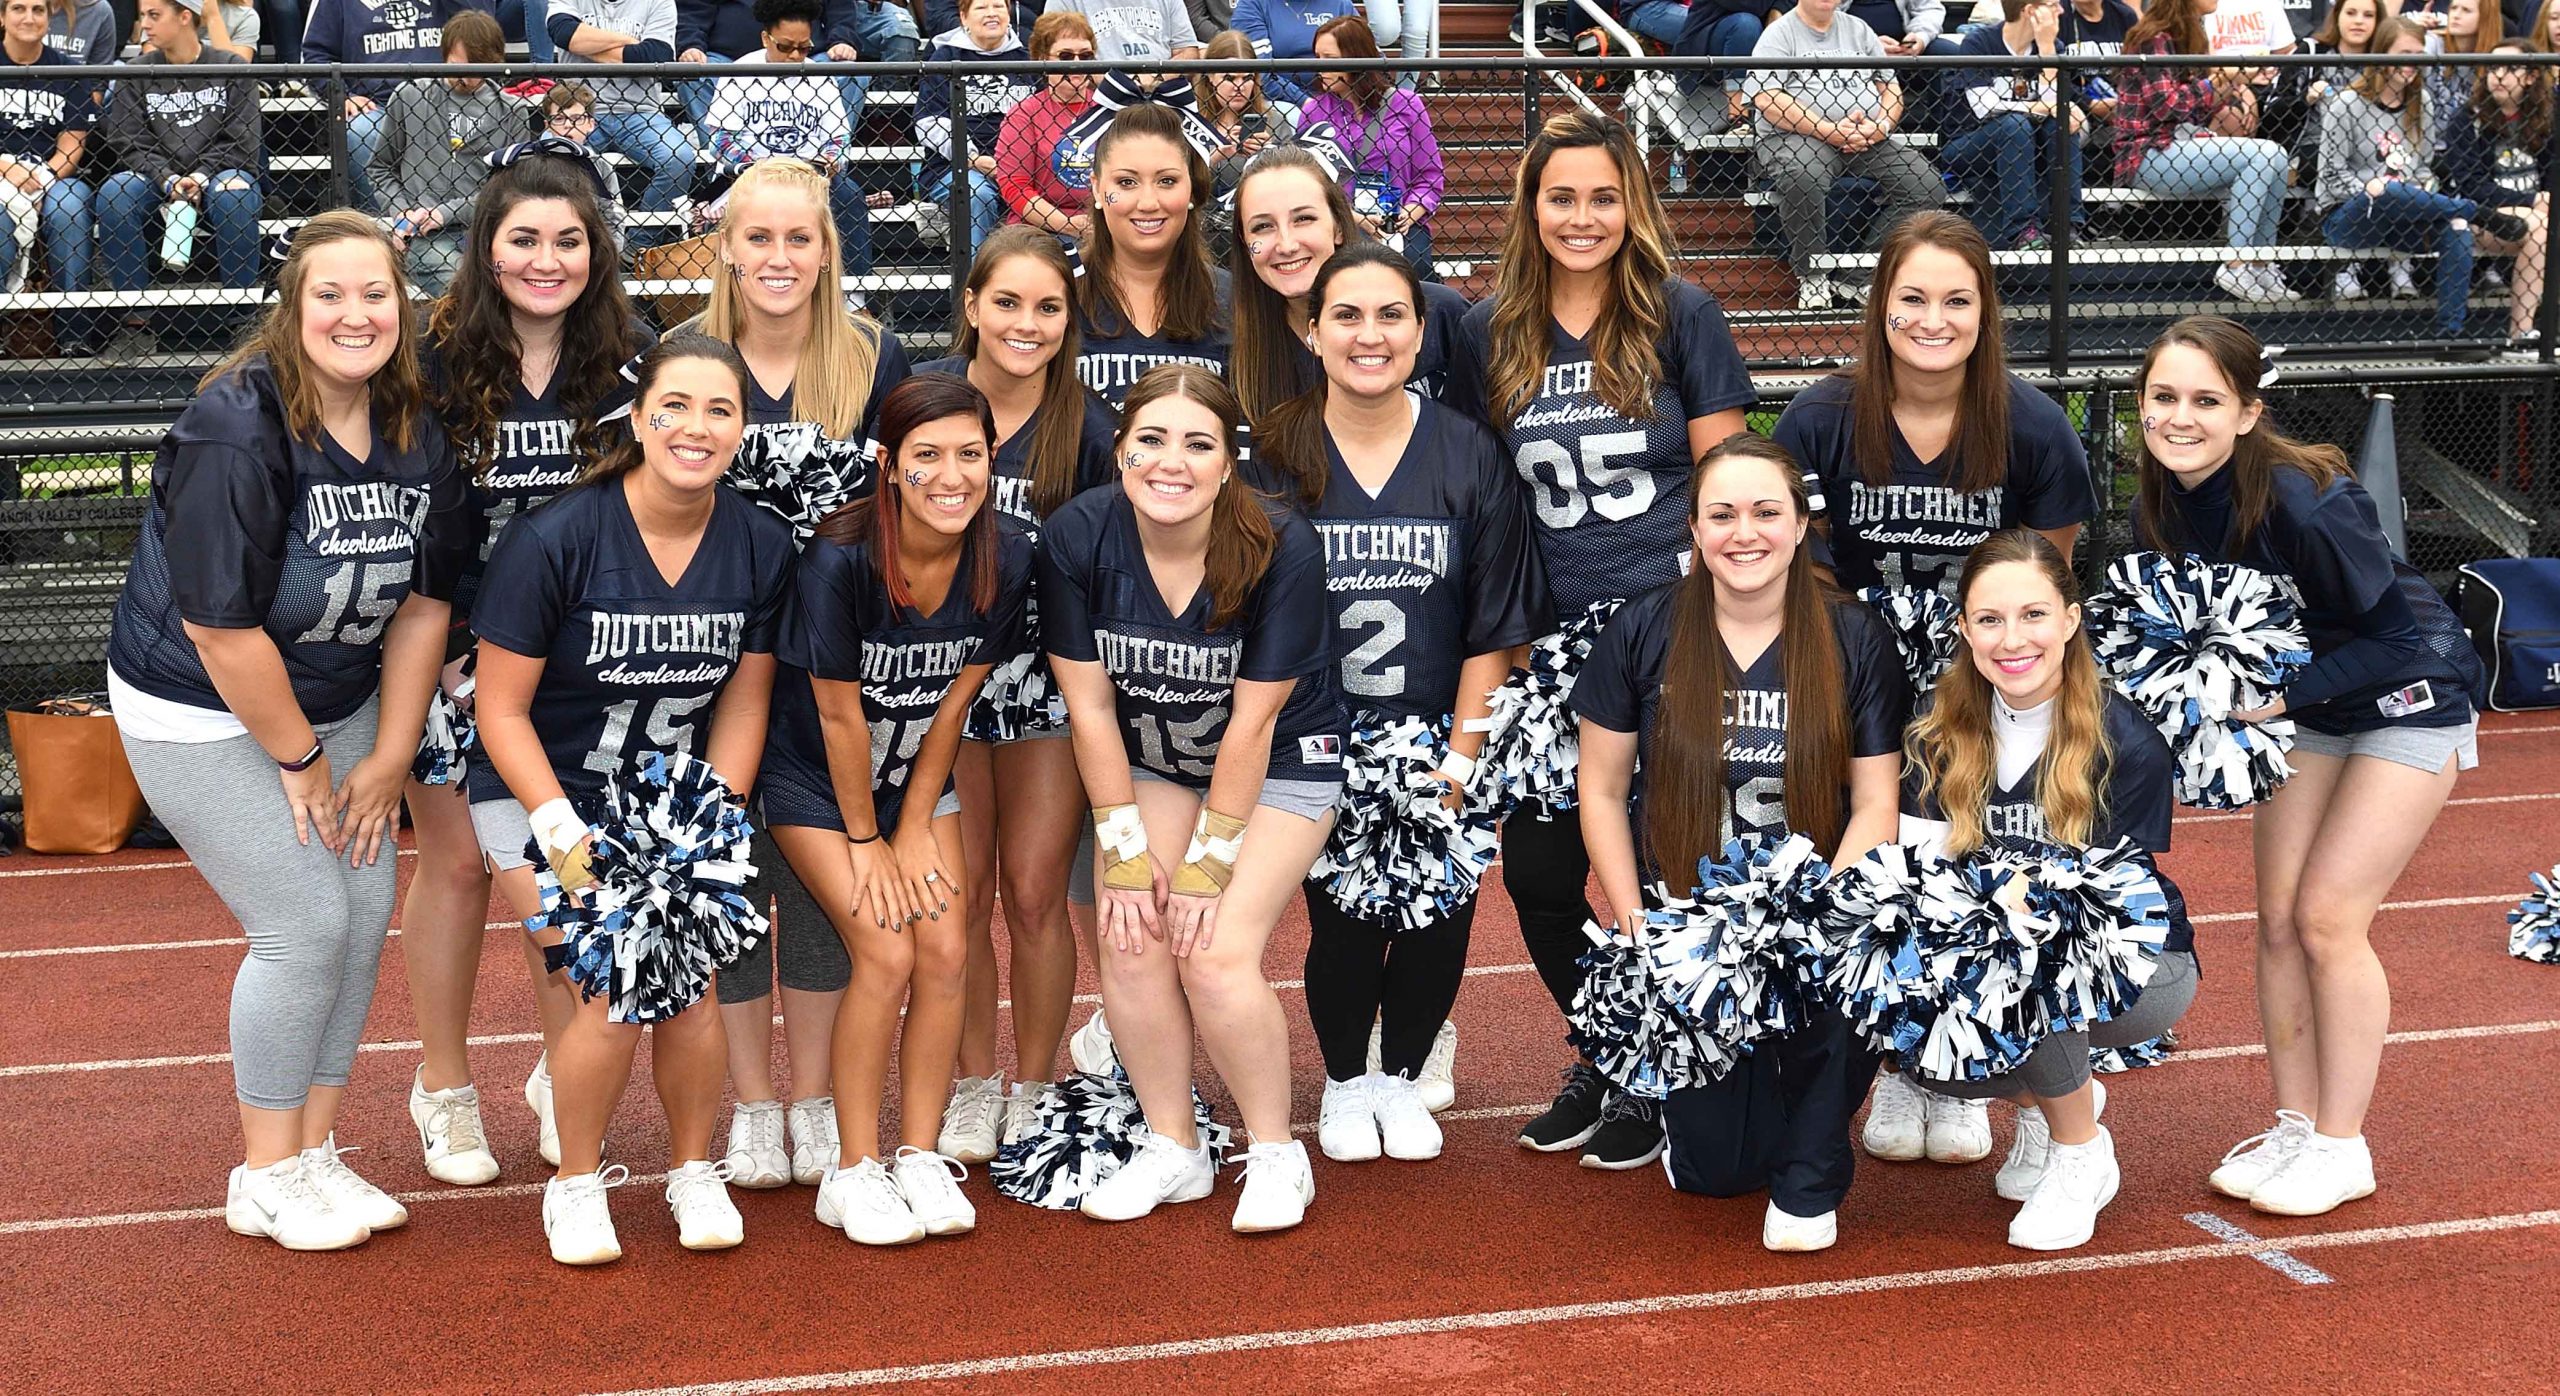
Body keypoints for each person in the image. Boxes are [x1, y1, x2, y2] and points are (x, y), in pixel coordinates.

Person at [105, 212, 469, 1253]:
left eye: (376, 295)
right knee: (303, 923)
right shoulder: (237, 424)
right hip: (200, 704)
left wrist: (390, 754)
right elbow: (220, 629)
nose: (356, 315)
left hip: (341, 695)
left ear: (403, 306)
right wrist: (301, 762)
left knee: (362, 911)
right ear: (292, 307)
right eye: (330, 295)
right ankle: (262, 1174)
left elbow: (425, 605)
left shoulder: (415, 422)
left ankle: (313, 1150)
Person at [1442, 110, 1754, 1171]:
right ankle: (1613, 1051)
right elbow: (1483, 493)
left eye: (1603, 197)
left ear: (1635, 207)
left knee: (1666, 867)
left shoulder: (1680, 311)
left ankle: (1672, 1064)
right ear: (1530, 208)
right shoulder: (1490, 330)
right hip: (1549, 648)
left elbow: (1727, 485)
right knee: (1539, 870)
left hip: (1669, 636)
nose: (1582, 217)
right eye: (1561, 196)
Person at [2132, 314, 2484, 1217]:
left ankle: (2342, 1144)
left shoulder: (2305, 499)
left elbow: (2397, 638)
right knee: (2279, 920)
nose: (2180, 418)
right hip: (2311, 706)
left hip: (2407, 695)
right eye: (2164, 397)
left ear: (2249, 413)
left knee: (2329, 918)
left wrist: (2275, 701)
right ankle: (2294, 1127)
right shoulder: (2161, 501)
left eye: (2206, 400)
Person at [470, 332, 792, 1264]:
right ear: (640, 418)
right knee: (613, 980)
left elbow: (747, 701)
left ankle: (692, 1169)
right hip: (545, 790)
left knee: (690, 987)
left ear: (742, 428)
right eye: (676, 406)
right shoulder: (556, 538)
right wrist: (560, 830)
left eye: (720, 410)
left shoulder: (760, 543)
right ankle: (575, 1183)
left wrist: (710, 822)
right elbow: (499, 709)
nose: (696, 427)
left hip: (671, 801)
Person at [1572, 433, 1906, 1253]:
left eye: (1765, 512)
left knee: (1873, 958)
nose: (1744, 533)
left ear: (1799, 524)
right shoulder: (1644, 627)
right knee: (1717, 1171)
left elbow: (1876, 801)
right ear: (1693, 529)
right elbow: (1602, 789)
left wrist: (1823, 922)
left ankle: (1811, 1174)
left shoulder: (1853, 634)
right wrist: (1634, 920)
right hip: (1694, 929)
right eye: (1721, 515)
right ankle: (1759, 1116)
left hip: (1814, 920)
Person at [1255, 243, 1549, 1163]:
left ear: (1422, 333)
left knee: (1438, 914)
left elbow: (1494, 626)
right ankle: (1348, 1082)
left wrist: (1459, 761)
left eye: (1391, 315)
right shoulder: (1275, 450)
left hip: (1441, 724)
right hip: (1317, 734)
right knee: (1339, 920)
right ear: (1312, 331)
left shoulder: (1469, 452)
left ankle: (1405, 1072)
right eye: (1346, 315)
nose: (1369, 335)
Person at [1035, 363, 1343, 1232]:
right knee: (1130, 932)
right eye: (1152, 440)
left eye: (1199, 444)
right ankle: (1175, 1145)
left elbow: (1255, 720)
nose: (1173, 462)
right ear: (1121, 450)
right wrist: (1124, 851)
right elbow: (1090, 708)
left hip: (1278, 760)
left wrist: (1209, 862)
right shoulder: (1077, 535)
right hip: (1158, 761)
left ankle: (1276, 1151)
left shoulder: (1281, 540)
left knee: (1211, 950)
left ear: (1228, 460)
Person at [402, 148, 654, 1185]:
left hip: (579, 663)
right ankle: (444, 1086)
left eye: (568, 240)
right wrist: (445, 649)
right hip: (453, 653)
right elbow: (411, 520)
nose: (547, 260)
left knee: (561, 869)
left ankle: (563, 1073)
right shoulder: (433, 358)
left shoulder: (633, 359)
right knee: (459, 866)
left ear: (597, 251)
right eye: (524, 240)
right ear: (486, 248)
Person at [760, 374, 1033, 1244]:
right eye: (927, 456)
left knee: (949, 949)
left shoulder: (1007, 551)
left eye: (970, 454)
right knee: (885, 952)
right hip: (815, 782)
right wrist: (868, 838)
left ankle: (918, 1154)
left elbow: (954, 705)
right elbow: (838, 715)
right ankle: (852, 1169)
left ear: (992, 458)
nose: (951, 476)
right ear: (887, 463)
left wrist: (913, 823)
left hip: (916, 774)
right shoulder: (839, 557)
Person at [695, 155, 914, 1191]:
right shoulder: (686, 358)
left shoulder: (874, 356)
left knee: (822, 889)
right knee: (732, 881)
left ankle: (818, 1096)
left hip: (834, 664)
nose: (779, 257)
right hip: (711, 668)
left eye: (799, 237)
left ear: (827, 250)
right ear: (726, 249)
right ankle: (752, 1103)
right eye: (759, 237)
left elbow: (904, 508)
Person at [1897, 528, 2200, 1250]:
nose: (2012, 640)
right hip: (1982, 957)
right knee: (1915, 1033)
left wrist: (2001, 915)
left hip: (2131, 968)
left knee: (2035, 948)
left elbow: (2105, 913)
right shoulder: (1935, 732)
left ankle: (2079, 1151)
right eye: (1990, 619)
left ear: (2069, 619)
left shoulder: (2126, 739)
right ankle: (2060, 1097)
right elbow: (1918, 876)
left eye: (2033, 615)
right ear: (1964, 628)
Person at [908, 227, 1120, 1161]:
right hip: (937, 683)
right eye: (1006, 302)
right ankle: (972, 1084)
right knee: (958, 902)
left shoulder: (1091, 427)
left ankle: (1033, 1084)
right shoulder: (925, 399)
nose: (1025, 324)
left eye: (1047, 307)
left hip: (1044, 685)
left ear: (1069, 320)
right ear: (971, 306)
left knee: (1034, 896)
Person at [1773, 210, 2095, 605]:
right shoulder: (1814, 420)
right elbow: (1807, 584)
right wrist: (1863, 640)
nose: (1933, 321)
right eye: (1913, 299)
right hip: (1848, 638)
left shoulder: (2040, 429)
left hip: (1989, 640)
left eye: (1957, 301)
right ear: (1881, 304)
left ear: (1984, 312)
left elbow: (2042, 592)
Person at [2316, 16, 2529, 344]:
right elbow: (2330, 175)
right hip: (2350, 217)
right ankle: (2476, 211)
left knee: (2457, 227)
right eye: (2405, 54)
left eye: (2419, 54)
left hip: (2406, 215)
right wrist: (2367, 188)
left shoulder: (2422, 103)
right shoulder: (2345, 104)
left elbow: (2423, 168)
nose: (2413, 63)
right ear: (2381, 54)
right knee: (2387, 189)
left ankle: (2449, 336)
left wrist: (2420, 187)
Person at [1226, 144, 1472, 424]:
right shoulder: (1230, 342)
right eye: (1262, 226)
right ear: (1244, 242)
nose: (1286, 245)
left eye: (1303, 219)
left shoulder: (1440, 313)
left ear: (1339, 227)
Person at [1746, 0, 1948, 311]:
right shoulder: (1779, 33)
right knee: (1803, 176)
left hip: (1863, 136)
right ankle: (1812, 273)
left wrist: (1880, 126)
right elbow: (1768, 98)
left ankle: (1858, 276)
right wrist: (1826, 129)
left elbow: (1891, 89)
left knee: (1926, 186)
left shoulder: (1859, 29)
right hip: (1796, 136)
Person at [96, 0, 261, 366]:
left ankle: (243, 320)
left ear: (185, 16)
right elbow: (127, 140)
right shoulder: (135, 72)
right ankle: (135, 323)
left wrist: (201, 175)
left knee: (236, 193)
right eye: (142, 16)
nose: (144, 25)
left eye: (154, 15)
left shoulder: (230, 67)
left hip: (219, 172)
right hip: (154, 175)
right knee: (114, 194)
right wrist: (167, 178)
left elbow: (242, 140)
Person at [2113, 0, 2301, 303]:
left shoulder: (2190, 34)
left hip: (2183, 145)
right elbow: (2168, 107)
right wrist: (2219, 81)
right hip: (2147, 154)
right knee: (2262, 154)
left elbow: (2198, 110)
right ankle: (2236, 265)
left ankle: (2260, 264)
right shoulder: (2153, 38)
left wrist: (2234, 83)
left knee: (2277, 155)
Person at [698, 0, 874, 277]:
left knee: (850, 195)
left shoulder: (819, 76)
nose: (794, 56)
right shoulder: (739, 72)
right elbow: (720, 140)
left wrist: (828, 163)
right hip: (750, 174)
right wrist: (761, 168)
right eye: (785, 47)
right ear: (765, 38)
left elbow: (838, 139)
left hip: (808, 175)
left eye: (804, 48)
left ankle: (856, 293)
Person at [1075, 102, 1232, 405]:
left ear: (1191, 188)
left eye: (1167, 181)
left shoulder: (1233, 299)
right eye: (1126, 182)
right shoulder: (1059, 293)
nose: (1148, 202)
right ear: (1096, 189)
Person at [369, 9, 516, 296]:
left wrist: (445, 212)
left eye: (476, 67)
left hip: (486, 229)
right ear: (444, 55)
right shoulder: (410, 95)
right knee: (467, 292)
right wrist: (402, 213)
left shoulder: (511, 110)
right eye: (456, 64)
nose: (464, 76)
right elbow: (380, 167)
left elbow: (509, 189)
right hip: (425, 236)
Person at [547, 0, 696, 251]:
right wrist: (630, 43)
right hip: (578, 110)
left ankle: (638, 245)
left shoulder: (658, 1)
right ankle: (574, 239)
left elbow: (654, 54)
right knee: (546, 153)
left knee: (679, 158)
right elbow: (564, 33)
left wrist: (585, 43)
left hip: (640, 112)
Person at [1302, 16, 1443, 280]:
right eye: (1317, 57)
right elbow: (1307, 183)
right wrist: (1353, 218)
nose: (1320, 67)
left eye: (1330, 59)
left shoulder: (1407, 104)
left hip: (1399, 222)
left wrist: (1409, 213)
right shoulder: (1313, 111)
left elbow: (1430, 175)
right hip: (1340, 224)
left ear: (1357, 58)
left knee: (1415, 271)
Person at [1944, 0, 2088, 252]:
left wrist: (2046, 51)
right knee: (2014, 124)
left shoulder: (2053, 47)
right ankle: (2024, 230)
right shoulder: (1980, 42)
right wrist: (2044, 107)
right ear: (2030, 11)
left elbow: (2057, 108)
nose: (2061, 10)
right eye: (2053, 4)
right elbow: (1984, 107)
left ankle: (2068, 226)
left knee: (2059, 125)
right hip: (1969, 143)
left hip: (2028, 144)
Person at [300, 0, 464, 214]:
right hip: (376, 105)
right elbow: (315, 56)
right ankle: (385, 223)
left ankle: (447, 220)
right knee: (360, 131)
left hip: (444, 99)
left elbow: (481, 22)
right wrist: (344, 96)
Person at [2444, 41, 2550, 347]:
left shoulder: (2546, 116)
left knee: (2542, 225)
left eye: (2511, 68)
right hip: (2481, 217)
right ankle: (2521, 333)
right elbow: (2471, 186)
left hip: (2539, 213)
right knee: (2540, 227)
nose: (2499, 75)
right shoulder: (2467, 118)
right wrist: (2533, 201)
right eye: (2493, 67)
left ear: (2531, 77)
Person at [0, 0, 97, 327]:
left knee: (69, 207)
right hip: (1, 171)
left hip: (53, 174)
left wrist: (43, 179)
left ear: (49, 16)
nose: (29, 18)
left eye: (38, 10)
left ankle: (74, 332)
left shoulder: (67, 71)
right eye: (19, 8)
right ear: (2, 17)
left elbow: (73, 144)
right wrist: (7, 169)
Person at [918, 0, 1035, 257]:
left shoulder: (1027, 58)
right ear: (964, 17)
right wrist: (971, 157)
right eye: (982, 7)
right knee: (976, 193)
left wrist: (1016, 165)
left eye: (998, 6)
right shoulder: (945, 56)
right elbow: (928, 121)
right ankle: (976, 277)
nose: (992, 13)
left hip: (1022, 166)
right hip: (958, 167)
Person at [992, 11, 1100, 241]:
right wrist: (1065, 224)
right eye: (1065, 56)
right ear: (1043, 58)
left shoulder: (1109, 111)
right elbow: (1015, 186)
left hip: (1102, 222)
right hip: (1038, 228)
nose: (1077, 64)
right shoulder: (1024, 114)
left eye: (1086, 56)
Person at [1197, 27, 1299, 255]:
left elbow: (1294, 181)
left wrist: (1266, 156)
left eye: (1247, 78)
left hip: (1261, 227)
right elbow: (1179, 180)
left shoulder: (1274, 120)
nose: (1239, 86)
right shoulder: (1192, 122)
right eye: (1229, 78)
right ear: (1210, 77)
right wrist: (1215, 156)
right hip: (1203, 226)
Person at [1231, 0, 1352, 102]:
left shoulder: (1340, 3)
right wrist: (1306, 103)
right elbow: (1261, 74)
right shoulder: (1253, 4)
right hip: (1279, 101)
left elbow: (1359, 51)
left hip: (1338, 96)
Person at [1051, 0, 1200, 63]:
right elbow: (1059, 56)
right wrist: (1119, 85)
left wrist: (1157, 79)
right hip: (1099, 96)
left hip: (1162, 92)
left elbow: (1187, 52)